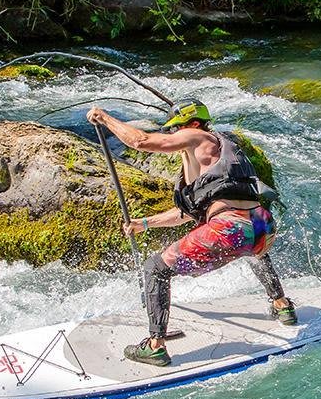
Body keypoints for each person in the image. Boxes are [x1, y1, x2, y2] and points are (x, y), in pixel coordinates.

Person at [86, 98, 297, 367]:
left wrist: (104, 118)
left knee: (155, 268)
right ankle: (281, 305)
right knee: (251, 250)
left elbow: (140, 141)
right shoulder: (219, 154)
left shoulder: (197, 136)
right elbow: (189, 214)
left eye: (177, 128)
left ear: (194, 124)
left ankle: (155, 346)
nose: (174, 134)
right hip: (262, 227)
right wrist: (145, 223)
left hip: (231, 227)